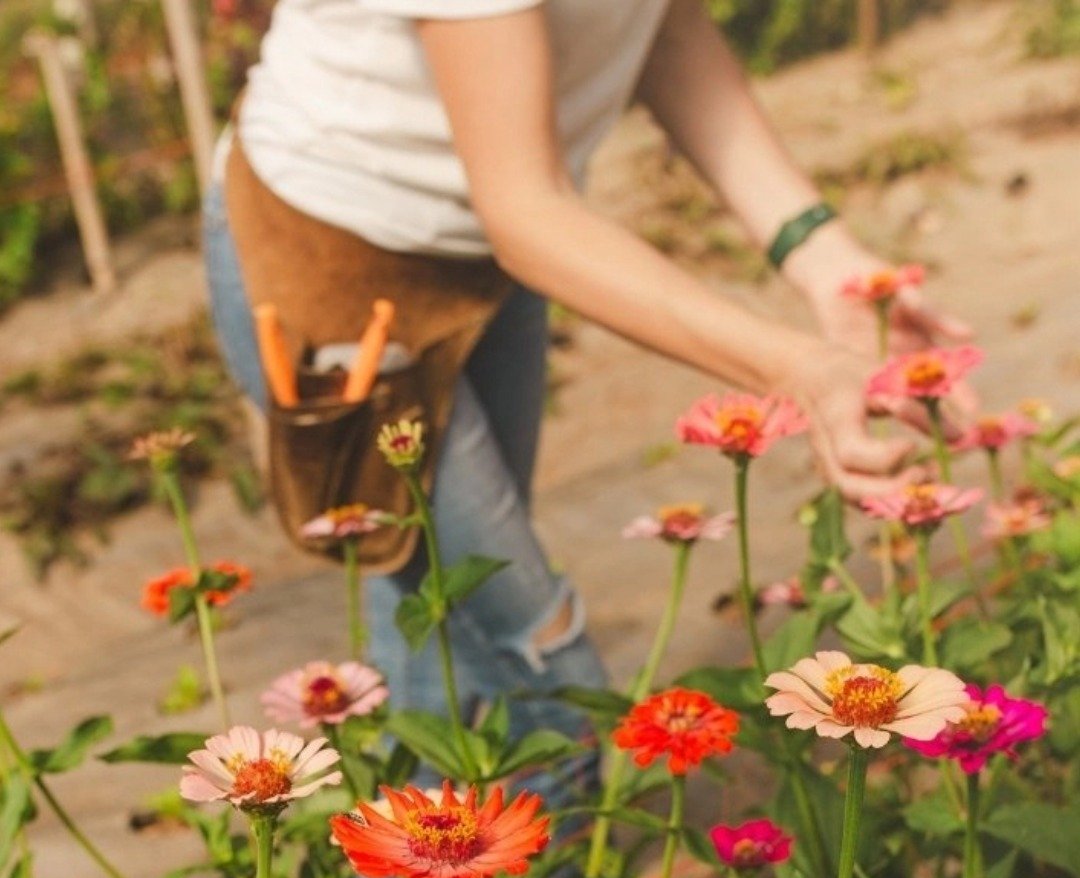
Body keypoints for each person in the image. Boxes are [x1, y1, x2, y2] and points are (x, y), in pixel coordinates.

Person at [203, 0, 972, 797]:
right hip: (331, 262)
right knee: (546, 680)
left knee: (445, 628)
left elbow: (659, 25)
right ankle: (548, 875)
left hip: (490, 256)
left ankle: (401, 865)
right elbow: (526, 212)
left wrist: (822, 254)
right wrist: (797, 368)